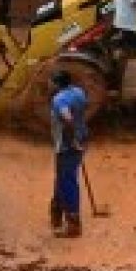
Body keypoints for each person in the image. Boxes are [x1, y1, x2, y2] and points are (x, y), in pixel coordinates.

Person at [48, 69, 89, 238]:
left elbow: (67, 118)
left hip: (67, 146)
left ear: (56, 84)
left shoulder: (59, 100)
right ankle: (56, 211)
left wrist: (72, 141)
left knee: (68, 181)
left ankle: (73, 224)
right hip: (81, 138)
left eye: (50, 82)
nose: (48, 84)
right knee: (62, 178)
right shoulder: (78, 92)